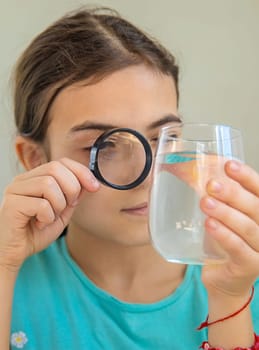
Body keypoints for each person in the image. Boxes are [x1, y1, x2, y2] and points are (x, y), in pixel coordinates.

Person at [1, 6, 259, 350]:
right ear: (35, 158)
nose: (145, 176)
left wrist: (230, 298)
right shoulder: (10, 281)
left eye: (160, 138)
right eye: (103, 146)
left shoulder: (243, 280)